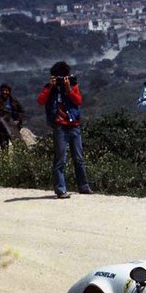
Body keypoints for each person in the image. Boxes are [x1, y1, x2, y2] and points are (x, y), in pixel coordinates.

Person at [37, 61, 92, 199]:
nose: (62, 80)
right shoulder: (50, 88)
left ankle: (84, 186)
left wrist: (68, 89)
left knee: (79, 158)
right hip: (60, 126)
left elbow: (78, 101)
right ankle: (60, 189)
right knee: (60, 158)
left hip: (74, 125)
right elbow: (40, 101)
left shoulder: (73, 85)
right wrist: (50, 87)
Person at [0, 83, 25, 150]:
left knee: (18, 147)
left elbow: (22, 112)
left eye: (6, 90)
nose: (5, 92)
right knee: (4, 148)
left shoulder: (14, 101)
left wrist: (18, 121)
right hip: (2, 128)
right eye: (3, 90)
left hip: (13, 128)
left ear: (9, 91)